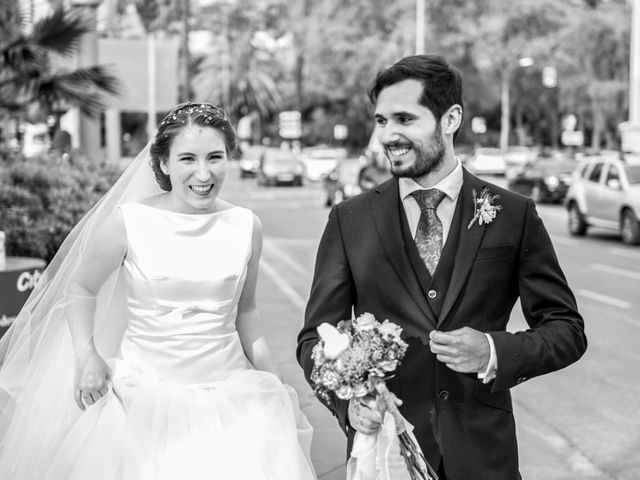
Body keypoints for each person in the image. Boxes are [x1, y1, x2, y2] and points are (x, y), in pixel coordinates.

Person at [297, 55, 587, 480]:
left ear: (450, 118)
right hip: (387, 456)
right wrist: (349, 404)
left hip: (483, 457)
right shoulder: (349, 220)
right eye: (380, 121)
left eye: (404, 119)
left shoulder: (512, 214)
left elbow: (566, 328)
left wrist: (492, 350)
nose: (387, 136)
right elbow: (314, 339)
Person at [0, 102, 316, 480]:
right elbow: (81, 286)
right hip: (141, 399)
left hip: (233, 400)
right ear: (164, 164)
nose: (204, 173)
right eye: (187, 158)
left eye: (215, 157)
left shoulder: (246, 226)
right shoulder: (129, 223)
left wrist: (274, 382)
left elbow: (246, 313)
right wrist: (86, 354)